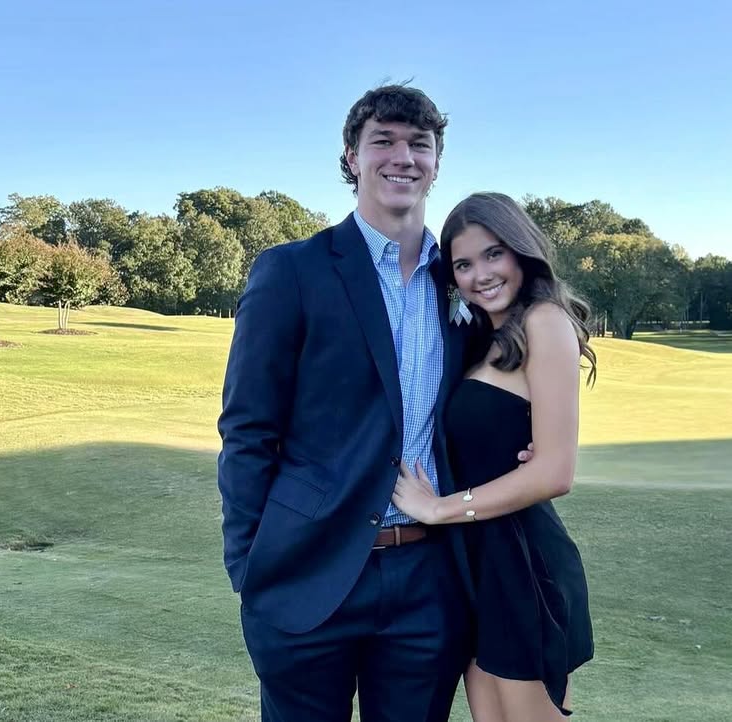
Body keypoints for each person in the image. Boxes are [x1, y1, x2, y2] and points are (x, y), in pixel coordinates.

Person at [217, 84, 526, 722]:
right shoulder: (291, 271)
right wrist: (250, 567)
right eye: (382, 141)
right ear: (352, 157)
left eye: (420, 144)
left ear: (437, 162)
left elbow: (496, 391)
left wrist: (521, 446)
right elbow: (247, 431)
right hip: (308, 574)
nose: (402, 157)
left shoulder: (464, 282)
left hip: (430, 578)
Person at [393, 191, 596, 720]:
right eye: (463, 264)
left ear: (521, 250)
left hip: (522, 564)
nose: (480, 275)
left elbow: (555, 472)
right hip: (476, 565)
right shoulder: (483, 337)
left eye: (493, 254)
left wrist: (438, 508)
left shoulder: (545, 321)